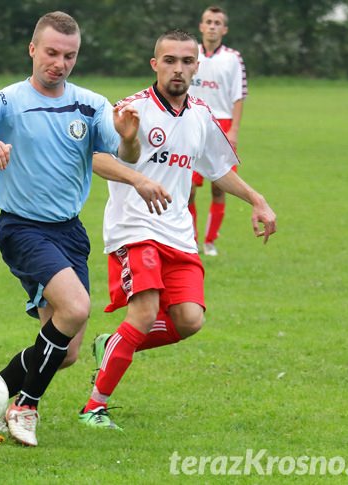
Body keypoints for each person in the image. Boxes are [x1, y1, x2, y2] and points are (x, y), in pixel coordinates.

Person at [0, 11, 169, 447]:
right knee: (76, 307)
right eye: (51, 53)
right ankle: (25, 407)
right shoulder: (5, 102)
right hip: (21, 227)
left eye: (69, 55)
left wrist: (130, 136)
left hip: (69, 233)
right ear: (32, 50)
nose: (59, 63)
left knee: (66, 352)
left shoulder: (93, 104)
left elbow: (124, 153)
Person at [77, 29, 276, 430]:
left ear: (196, 67)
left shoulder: (201, 115)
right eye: (170, 61)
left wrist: (257, 199)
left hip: (178, 233)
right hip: (134, 229)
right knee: (145, 312)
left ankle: (113, 343)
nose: (178, 69)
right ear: (155, 64)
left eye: (187, 62)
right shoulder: (130, 110)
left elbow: (219, 169)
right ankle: (93, 407)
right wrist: (137, 180)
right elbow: (96, 159)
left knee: (189, 320)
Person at [187, 6, 247, 257]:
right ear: (201, 26)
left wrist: (233, 129)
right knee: (188, 189)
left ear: (224, 29)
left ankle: (210, 241)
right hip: (191, 122)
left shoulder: (233, 58)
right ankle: (191, 240)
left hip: (221, 125)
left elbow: (239, 95)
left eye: (217, 22)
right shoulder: (189, 53)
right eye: (208, 22)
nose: (212, 26)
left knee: (220, 186)